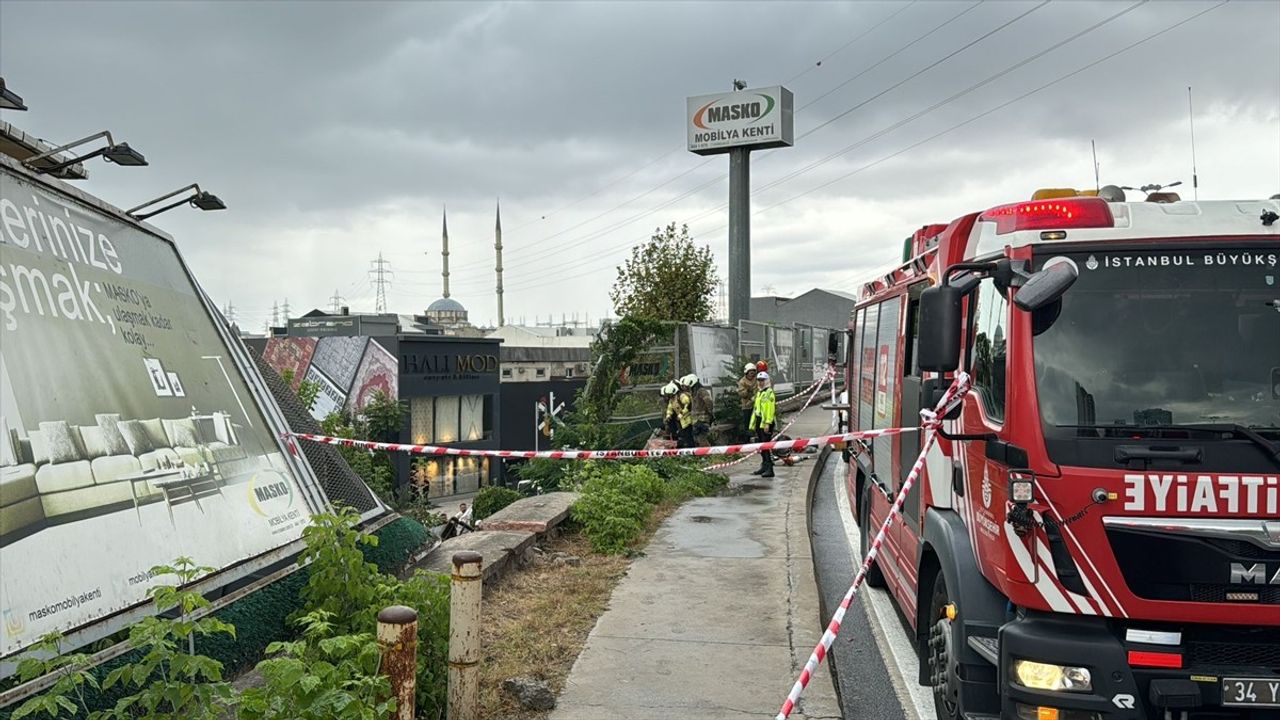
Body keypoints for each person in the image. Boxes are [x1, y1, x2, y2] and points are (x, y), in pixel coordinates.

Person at [749, 371, 777, 478]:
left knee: (766, 446)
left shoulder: (769, 393)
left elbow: (770, 409)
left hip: (766, 423)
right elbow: (757, 409)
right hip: (759, 422)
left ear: (767, 381)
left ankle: (770, 469)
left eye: (762, 380)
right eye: (759, 380)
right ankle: (764, 466)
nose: (760, 383)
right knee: (762, 446)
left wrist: (768, 423)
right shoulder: (760, 393)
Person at [737, 363, 758, 441]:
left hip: (756, 405)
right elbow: (741, 393)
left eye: (753, 372)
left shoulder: (757, 380)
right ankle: (747, 440)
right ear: (747, 372)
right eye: (750, 372)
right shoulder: (742, 381)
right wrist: (748, 391)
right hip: (746, 406)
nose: (752, 374)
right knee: (747, 424)